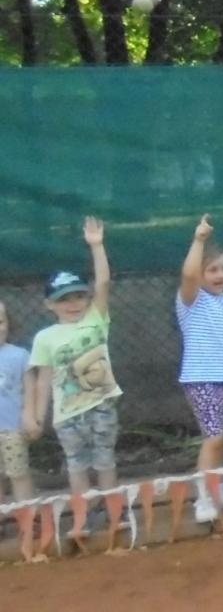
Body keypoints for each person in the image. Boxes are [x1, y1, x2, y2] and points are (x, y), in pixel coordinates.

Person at [23, 218, 119, 515]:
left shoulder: (95, 319)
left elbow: (103, 282)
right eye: (64, 299)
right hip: (67, 415)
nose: (73, 303)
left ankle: (115, 512)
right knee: (77, 466)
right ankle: (84, 515)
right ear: (49, 305)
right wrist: (37, 416)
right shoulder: (45, 338)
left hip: (102, 405)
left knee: (105, 460)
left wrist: (97, 245)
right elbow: (43, 380)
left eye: (78, 296)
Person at [177, 214, 223, 523]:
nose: (221, 275)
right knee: (214, 437)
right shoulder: (192, 301)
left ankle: (217, 488)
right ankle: (203, 498)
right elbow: (189, 276)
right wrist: (199, 239)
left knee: (220, 437)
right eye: (212, 269)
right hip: (201, 379)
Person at [0, 301, 35, 506]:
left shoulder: (19, 355)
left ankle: (28, 518)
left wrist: (29, 415)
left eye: (0, 321)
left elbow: (30, 388)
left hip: (12, 428)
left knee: (19, 473)